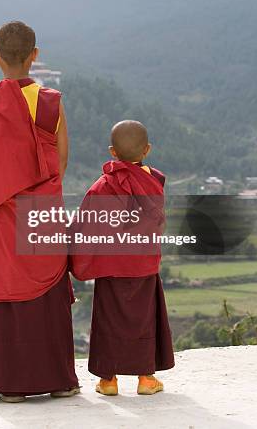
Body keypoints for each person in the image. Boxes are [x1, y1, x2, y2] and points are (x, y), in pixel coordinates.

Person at [0, 21, 79, 403]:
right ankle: (60, 380)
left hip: (0, 212)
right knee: (47, 293)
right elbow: (59, 159)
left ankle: (11, 385)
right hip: (40, 210)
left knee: (7, 290)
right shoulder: (50, 102)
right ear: (35, 55)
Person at [70, 120, 174, 396]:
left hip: (111, 267)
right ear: (147, 150)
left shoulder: (102, 187)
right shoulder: (153, 184)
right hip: (143, 267)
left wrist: (74, 256)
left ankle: (108, 381)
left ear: (112, 152)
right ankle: (146, 379)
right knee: (144, 319)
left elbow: (85, 225)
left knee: (108, 320)